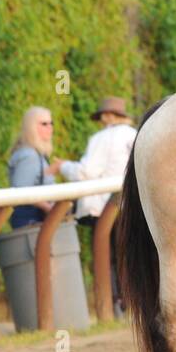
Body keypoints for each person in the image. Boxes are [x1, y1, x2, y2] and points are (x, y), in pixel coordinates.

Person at [56, 96, 138, 316]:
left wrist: (62, 166)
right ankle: (130, 304)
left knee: (109, 257)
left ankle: (115, 306)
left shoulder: (103, 138)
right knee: (128, 256)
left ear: (107, 116)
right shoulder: (137, 135)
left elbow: (87, 171)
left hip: (106, 208)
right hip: (134, 206)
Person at [7, 106, 56, 230]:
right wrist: (49, 208)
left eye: (51, 123)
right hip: (29, 221)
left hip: (36, 219)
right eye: (44, 124)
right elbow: (22, 191)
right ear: (31, 127)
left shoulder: (37, 153)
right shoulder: (29, 155)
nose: (50, 127)